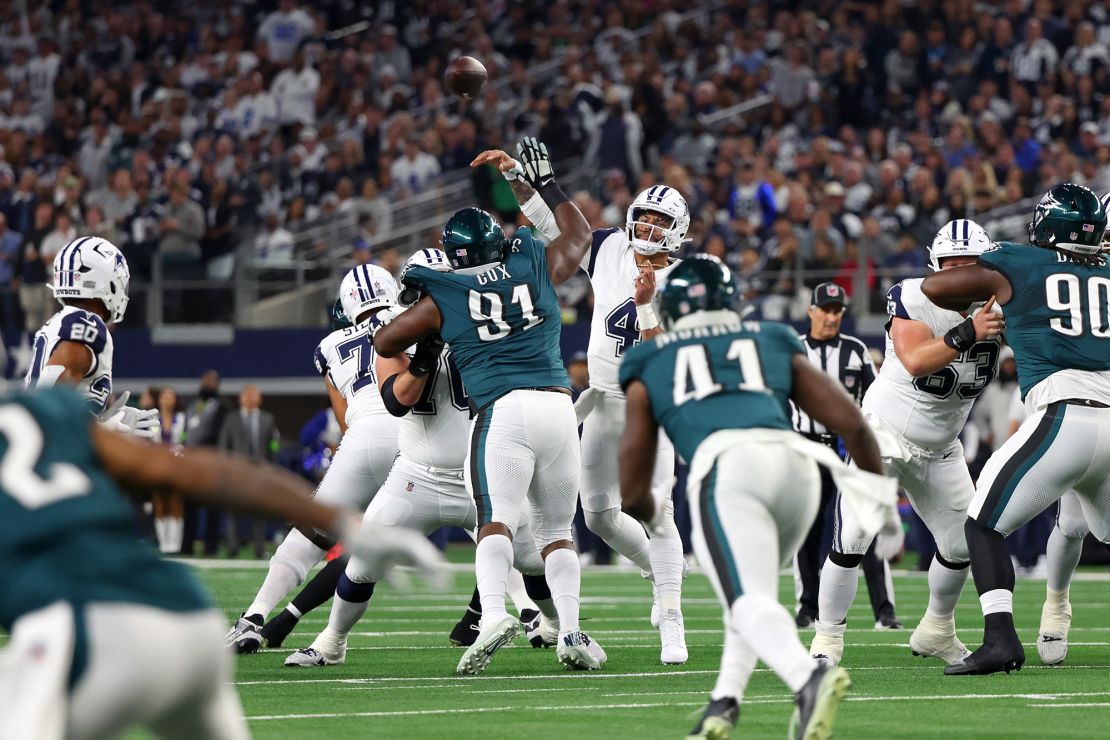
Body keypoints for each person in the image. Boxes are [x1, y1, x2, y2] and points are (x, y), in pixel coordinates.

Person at [0, 386, 442, 740]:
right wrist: (342, 521)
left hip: (84, 634)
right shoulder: (40, 413)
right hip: (187, 622)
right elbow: (205, 472)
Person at [618, 255, 897, 739]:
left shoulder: (649, 357)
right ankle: (724, 701)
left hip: (728, 471)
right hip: (798, 471)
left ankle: (806, 677)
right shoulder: (770, 337)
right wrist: (876, 496)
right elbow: (851, 421)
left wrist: (648, 515)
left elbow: (632, 486)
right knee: (752, 598)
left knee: (746, 597)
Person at [375, 137, 602, 673]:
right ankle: (570, 631)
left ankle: (495, 612)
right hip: (557, 408)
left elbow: (386, 342)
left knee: (495, 523)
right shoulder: (532, 264)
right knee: (557, 533)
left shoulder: (444, 293)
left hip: (503, 412)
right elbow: (578, 236)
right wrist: (540, 184)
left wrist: (433, 338)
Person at [285, 249, 564, 667]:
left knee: (532, 558)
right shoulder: (393, 333)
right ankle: (331, 641)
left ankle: (559, 625)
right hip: (418, 474)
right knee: (363, 562)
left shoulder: (488, 325)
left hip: (481, 467)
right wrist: (425, 360)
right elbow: (396, 402)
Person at [475, 147, 690, 664]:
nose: (650, 229)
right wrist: (517, 179)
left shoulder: (689, 280)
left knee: (655, 508)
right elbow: (556, 228)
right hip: (602, 398)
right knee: (597, 516)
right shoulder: (612, 249)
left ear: (679, 230)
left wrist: (646, 307)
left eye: (662, 222)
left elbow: (666, 358)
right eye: (645, 218)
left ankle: (673, 616)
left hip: (652, 404)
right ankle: (658, 572)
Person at [921, 182, 1110, 676]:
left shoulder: (1024, 261)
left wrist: (998, 271)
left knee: (982, 524)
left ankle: (1000, 639)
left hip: (1063, 414)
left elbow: (935, 287)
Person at [810, 219, 1005, 667]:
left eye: (970, 264)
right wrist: (967, 332)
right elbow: (916, 360)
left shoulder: (1007, 304)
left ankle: (937, 629)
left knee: (960, 546)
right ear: (936, 267)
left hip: (942, 447)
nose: (960, 273)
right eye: (951, 265)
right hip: (884, 435)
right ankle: (827, 638)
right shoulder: (914, 296)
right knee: (854, 536)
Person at [227, 264, 402, 653]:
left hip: (360, 437)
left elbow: (343, 420)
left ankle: (254, 616)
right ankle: (525, 614)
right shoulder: (410, 319)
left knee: (309, 536)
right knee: (488, 524)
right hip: (412, 434)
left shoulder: (329, 345)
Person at [792, 282, 900, 630]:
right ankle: (808, 608)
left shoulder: (855, 350)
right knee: (807, 530)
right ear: (811, 311)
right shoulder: (794, 350)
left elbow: (877, 397)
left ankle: (884, 610)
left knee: (863, 525)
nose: (832, 317)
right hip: (807, 446)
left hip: (849, 447)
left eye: (838, 311)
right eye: (825, 309)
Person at [23, 236, 157, 439]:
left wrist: (104, 417)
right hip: (50, 461)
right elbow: (44, 409)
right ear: (108, 282)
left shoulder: (66, 321)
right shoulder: (86, 323)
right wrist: (101, 430)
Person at [218, 384, 280, 557]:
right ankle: (232, 547)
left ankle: (259, 549)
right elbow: (224, 445)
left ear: (259, 399)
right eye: (247, 395)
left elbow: (273, 446)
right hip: (236, 472)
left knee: (259, 513)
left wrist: (271, 469)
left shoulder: (268, 419)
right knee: (233, 512)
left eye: (254, 395)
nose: (250, 398)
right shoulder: (232, 418)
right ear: (241, 398)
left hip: (259, 473)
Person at [183, 370, 229, 555]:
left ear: (217, 385)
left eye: (211, 381)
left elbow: (221, 436)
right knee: (190, 507)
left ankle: (211, 547)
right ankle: (186, 546)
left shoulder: (223, 407)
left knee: (213, 508)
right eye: (205, 380)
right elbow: (186, 432)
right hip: (192, 463)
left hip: (211, 463)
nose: (207, 384)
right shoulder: (192, 406)